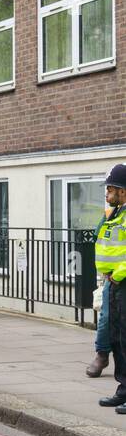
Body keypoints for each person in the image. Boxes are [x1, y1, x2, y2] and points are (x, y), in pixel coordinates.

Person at [93, 164, 126, 414]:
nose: (107, 193)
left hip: (122, 281)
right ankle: (123, 389)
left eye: (111, 189)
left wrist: (118, 273)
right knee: (117, 338)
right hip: (114, 283)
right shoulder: (115, 214)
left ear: (122, 191)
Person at [88, 202, 115, 377]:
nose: (107, 194)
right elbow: (99, 240)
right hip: (114, 276)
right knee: (106, 316)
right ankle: (102, 354)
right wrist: (106, 270)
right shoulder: (111, 213)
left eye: (111, 189)